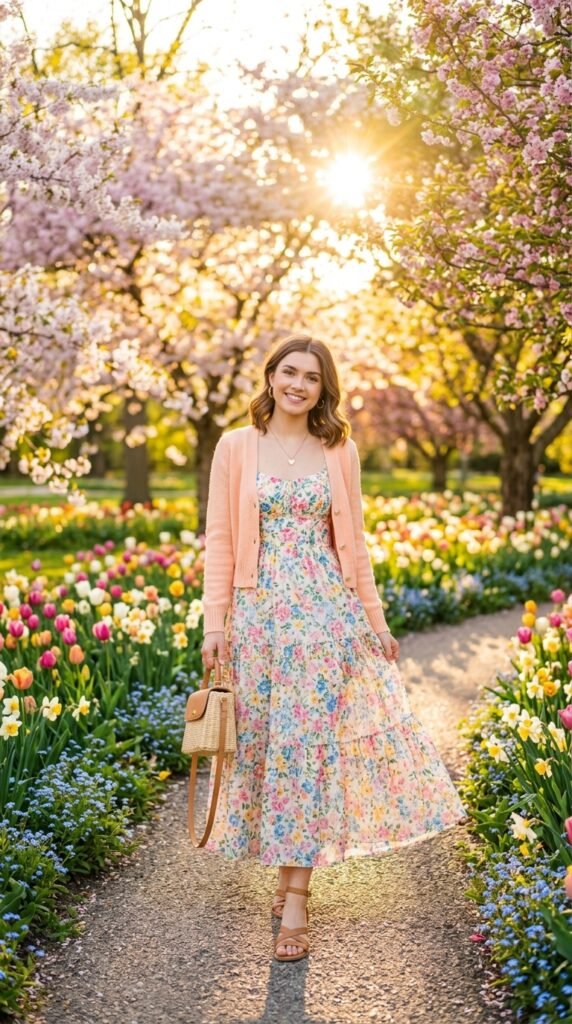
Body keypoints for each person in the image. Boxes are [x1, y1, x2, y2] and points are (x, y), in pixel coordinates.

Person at [200, 334, 468, 963]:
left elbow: (357, 546)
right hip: (260, 620)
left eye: (311, 377)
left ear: (325, 388)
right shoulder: (237, 447)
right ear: (270, 377)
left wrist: (375, 622)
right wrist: (216, 622)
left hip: (326, 618)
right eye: (288, 372)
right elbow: (218, 538)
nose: (298, 384)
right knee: (273, 747)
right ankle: (289, 873)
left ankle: (297, 896)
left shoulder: (337, 448)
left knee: (310, 750)